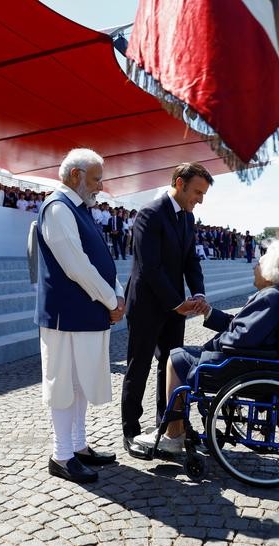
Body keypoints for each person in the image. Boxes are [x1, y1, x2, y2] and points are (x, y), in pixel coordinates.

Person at [134, 240, 279, 452]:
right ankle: (177, 427)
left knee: (176, 358)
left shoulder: (270, 298)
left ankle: (174, 434)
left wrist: (212, 345)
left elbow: (240, 337)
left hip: (242, 362)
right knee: (181, 354)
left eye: (258, 264)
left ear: (270, 273)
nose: (254, 267)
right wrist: (208, 312)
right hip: (257, 360)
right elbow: (241, 326)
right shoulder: (278, 296)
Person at [34, 148, 122, 484]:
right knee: (63, 384)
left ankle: (79, 445)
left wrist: (116, 294)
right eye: (97, 179)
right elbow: (76, 266)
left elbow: (100, 259)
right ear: (76, 175)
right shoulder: (58, 207)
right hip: (66, 314)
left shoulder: (79, 208)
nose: (101, 186)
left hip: (86, 311)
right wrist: (111, 299)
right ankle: (62, 454)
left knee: (81, 382)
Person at [121, 162, 213, 459]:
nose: (200, 200)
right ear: (179, 183)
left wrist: (198, 293)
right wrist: (177, 302)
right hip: (148, 304)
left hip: (175, 306)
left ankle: (169, 427)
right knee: (139, 366)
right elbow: (150, 267)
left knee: (172, 365)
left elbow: (190, 260)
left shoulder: (187, 217)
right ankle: (131, 431)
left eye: (203, 194)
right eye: (197, 192)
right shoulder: (150, 214)